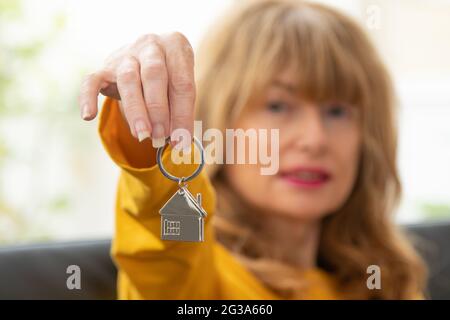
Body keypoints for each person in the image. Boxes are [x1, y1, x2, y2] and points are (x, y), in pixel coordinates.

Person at [78, 0, 426, 299]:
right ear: (218, 123)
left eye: (337, 111)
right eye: (278, 106)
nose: (314, 139)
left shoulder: (386, 281)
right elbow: (161, 242)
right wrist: (149, 125)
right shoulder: (190, 278)